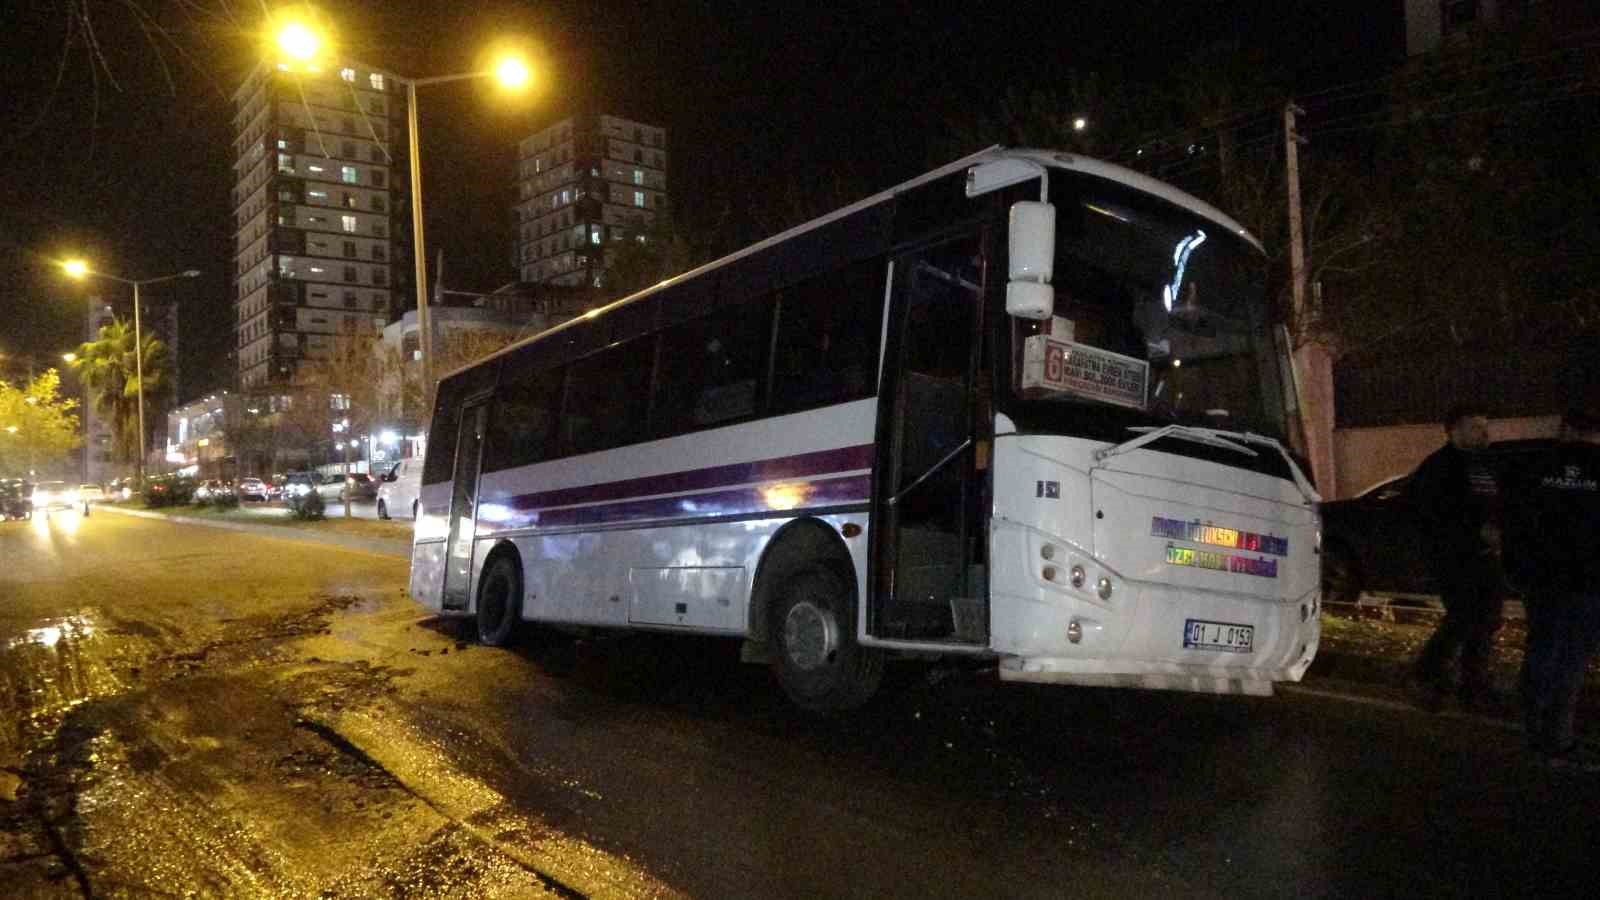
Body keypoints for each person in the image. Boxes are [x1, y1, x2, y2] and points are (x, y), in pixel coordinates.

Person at [1505, 408, 1600, 769]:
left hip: (1543, 580)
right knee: (1573, 659)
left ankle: (1532, 732)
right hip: (1589, 583)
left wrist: (1516, 570)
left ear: (1567, 430)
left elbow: (1515, 522)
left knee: (1542, 650)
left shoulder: (1535, 466)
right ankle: (1559, 738)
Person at [1406, 405, 1505, 711]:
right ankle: (1427, 671)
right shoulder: (1439, 467)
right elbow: (1433, 515)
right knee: (1464, 617)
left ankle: (1472, 684)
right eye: (1476, 427)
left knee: (1486, 620)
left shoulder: (1484, 464)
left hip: (1486, 557)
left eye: (1485, 426)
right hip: (1453, 558)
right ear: (1453, 431)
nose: (1484, 433)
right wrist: (1477, 531)